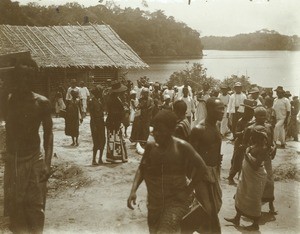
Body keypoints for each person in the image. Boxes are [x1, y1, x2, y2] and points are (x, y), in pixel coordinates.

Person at [127, 110, 209, 234]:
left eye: (160, 130)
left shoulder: (182, 147)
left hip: (175, 202)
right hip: (154, 202)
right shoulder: (150, 147)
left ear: (171, 130)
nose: (155, 133)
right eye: (154, 129)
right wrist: (133, 190)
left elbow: (202, 168)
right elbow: (142, 169)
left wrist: (188, 191)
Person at [4, 57, 53, 233]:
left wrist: (47, 163)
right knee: (15, 210)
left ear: (33, 78)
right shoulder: (7, 101)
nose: (24, 81)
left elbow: (49, 134)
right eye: (20, 76)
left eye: (28, 77)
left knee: (36, 209)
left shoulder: (42, 102)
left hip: (34, 159)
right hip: (14, 160)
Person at [225, 125, 270, 231]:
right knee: (241, 193)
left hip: (255, 177)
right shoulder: (255, 144)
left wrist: (247, 155)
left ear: (259, 137)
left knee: (253, 198)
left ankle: (255, 224)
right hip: (247, 176)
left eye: (253, 135)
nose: (251, 137)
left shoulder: (263, 148)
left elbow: (255, 166)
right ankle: (237, 218)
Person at [189, 97, 225, 233]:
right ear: (209, 110)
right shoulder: (199, 129)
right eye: (219, 109)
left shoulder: (215, 126)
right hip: (200, 173)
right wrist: (191, 180)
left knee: (215, 206)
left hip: (214, 171)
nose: (222, 112)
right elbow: (190, 155)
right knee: (207, 209)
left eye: (223, 108)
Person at [243, 106, 277, 214]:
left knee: (269, 181)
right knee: (252, 182)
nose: (263, 117)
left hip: (266, 158)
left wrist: (274, 148)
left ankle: (271, 204)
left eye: (264, 115)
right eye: (260, 115)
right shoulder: (250, 128)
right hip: (254, 158)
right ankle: (248, 207)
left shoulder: (269, 127)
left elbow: (272, 141)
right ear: (255, 116)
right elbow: (244, 144)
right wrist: (250, 153)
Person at [227, 99, 257, 185]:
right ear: (245, 112)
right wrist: (244, 132)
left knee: (245, 162)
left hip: (248, 144)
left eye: (252, 112)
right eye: (248, 112)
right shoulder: (241, 121)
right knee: (236, 160)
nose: (250, 114)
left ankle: (242, 179)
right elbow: (236, 133)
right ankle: (231, 176)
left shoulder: (253, 122)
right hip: (240, 143)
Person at [106, 80, 128, 163]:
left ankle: (114, 157)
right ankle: (115, 157)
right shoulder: (113, 99)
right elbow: (114, 112)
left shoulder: (114, 98)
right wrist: (123, 111)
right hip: (114, 122)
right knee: (115, 139)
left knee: (114, 139)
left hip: (113, 121)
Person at [89, 88, 106, 165]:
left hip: (101, 122)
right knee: (96, 142)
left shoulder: (99, 100)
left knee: (102, 140)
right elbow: (92, 115)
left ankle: (100, 159)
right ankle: (93, 160)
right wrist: (94, 125)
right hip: (95, 122)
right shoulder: (92, 101)